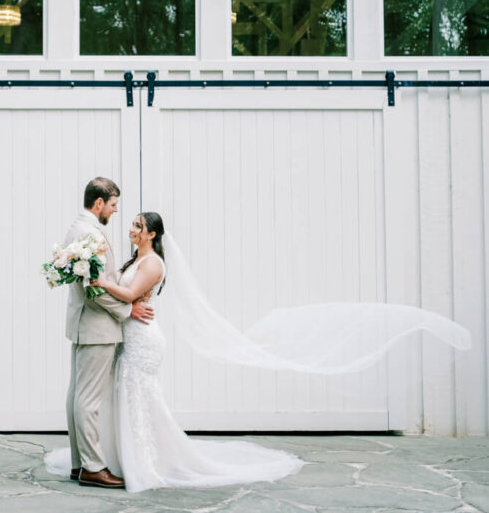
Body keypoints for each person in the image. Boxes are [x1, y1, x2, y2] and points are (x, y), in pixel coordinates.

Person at [48, 208, 471, 494]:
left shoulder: (154, 262)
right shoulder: (132, 258)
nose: (132, 228)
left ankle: (151, 461)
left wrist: (100, 282)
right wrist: (122, 295)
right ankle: (124, 458)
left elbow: (128, 293)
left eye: (138, 224)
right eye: (132, 223)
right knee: (126, 399)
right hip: (132, 335)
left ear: (153, 233)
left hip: (143, 343)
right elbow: (131, 299)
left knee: (142, 400)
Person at [64, 177, 153, 490]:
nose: (115, 211)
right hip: (97, 328)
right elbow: (95, 290)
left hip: (83, 325)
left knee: (77, 394)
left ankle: (79, 464)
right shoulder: (89, 234)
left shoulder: (78, 229)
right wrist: (128, 311)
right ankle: (92, 467)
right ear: (99, 203)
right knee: (88, 399)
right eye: (113, 205)